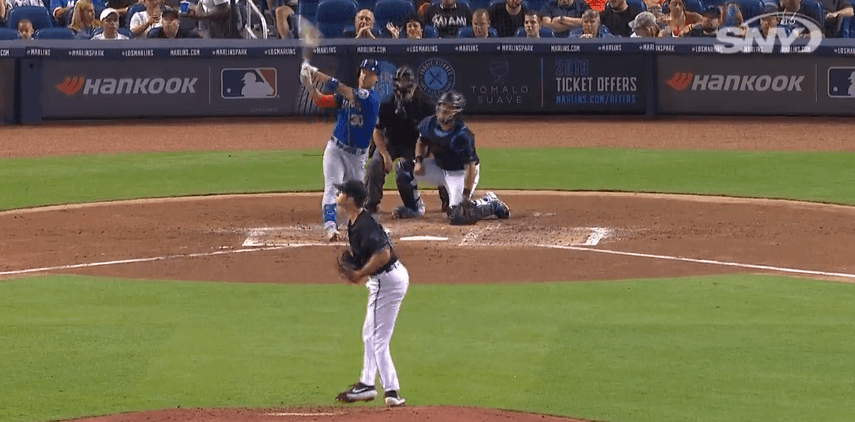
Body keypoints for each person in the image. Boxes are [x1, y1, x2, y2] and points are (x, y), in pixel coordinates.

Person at [332, 179, 409, 408]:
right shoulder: (355, 222)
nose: (339, 193)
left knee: (377, 339)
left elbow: (384, 254)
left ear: (352, 199)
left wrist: (361, 273)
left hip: (386, 281)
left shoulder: (364, 224)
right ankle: (378, 387)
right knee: (370, 334)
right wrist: (355, 266)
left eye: (343, 192)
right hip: (386, 280)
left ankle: (379, 388)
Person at [300, 59, 382, 241]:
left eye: (370, 73)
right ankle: (330, 228)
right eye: (363, 71)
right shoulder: (348, 95)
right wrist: (309, 85)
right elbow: (321, 100)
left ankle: (357, 227)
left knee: (356, 197)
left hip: (357, 157)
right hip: (336, 149)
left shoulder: (372, 99)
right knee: (331, 187)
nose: (364, 75)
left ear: (376, 78)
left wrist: (317, 74)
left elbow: (343, 90)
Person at [403, 91, 511, 225]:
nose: (444, 110)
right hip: (439, 168)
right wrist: (419, 161)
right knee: (403, 167)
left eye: (449, 107)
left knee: (457, 216)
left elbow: (470, 166)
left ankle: (490, 204)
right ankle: (414, 208)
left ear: (456, 112)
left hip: (460, 174)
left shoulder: (463, 135)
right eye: (442, 105)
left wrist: (465, 195)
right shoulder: (429, 123)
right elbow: (421, 141)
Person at [365, 66, 436, 218]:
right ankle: (371, 204)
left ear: (414, 86)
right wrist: (384, 155)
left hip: (415, 145)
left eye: (406, 85)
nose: (403, 91)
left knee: (403, 167)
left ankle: (419, 204)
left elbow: (433, 135)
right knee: (375, 164)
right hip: (392, 143)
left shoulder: (425, 105)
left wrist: (424, 156)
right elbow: (377, 130)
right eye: (400, 83)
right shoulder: (388, 104)